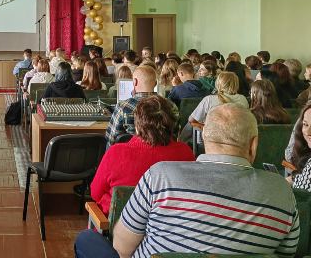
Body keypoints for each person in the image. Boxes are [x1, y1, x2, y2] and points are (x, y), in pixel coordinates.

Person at [75, 104, 300, 258]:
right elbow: (287, 253)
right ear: (254, 144)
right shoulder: (282, 191)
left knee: (86, 239)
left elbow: (121, 249)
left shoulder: (160, 176)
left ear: (204, 137)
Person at [89, 95, 194, 215]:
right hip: (168, 223)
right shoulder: (185, 152)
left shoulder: (116, 153)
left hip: (119, 222)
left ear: (137, 126)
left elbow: (95, 193)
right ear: (172, 123)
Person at [106, 66, 179, 145]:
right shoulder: (171, 105)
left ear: (134, 82)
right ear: (155, 83)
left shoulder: (123, 106)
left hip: (131, 151)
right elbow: (174, 136)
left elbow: (111, 139)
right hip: (164, 151)